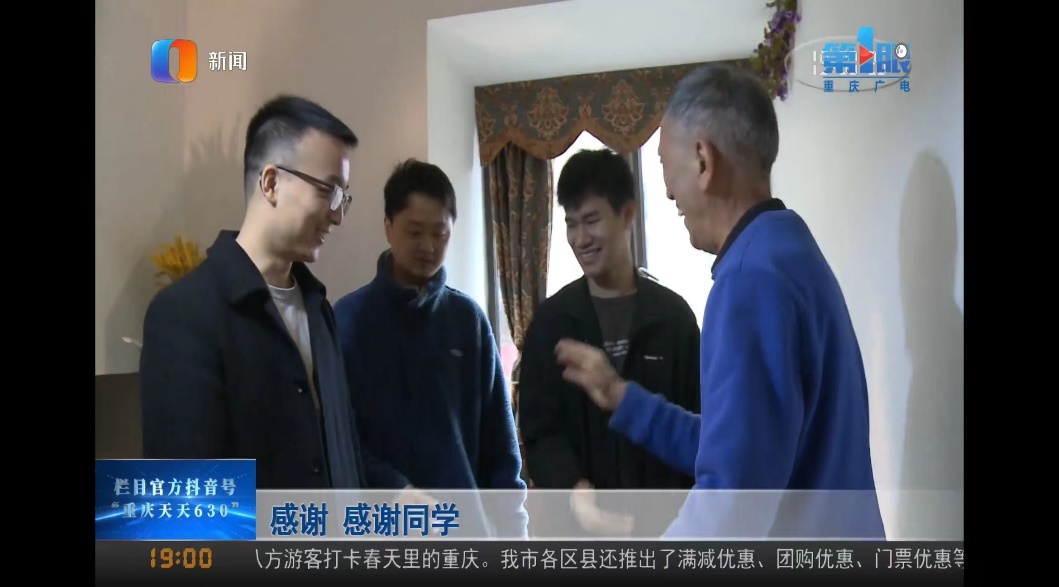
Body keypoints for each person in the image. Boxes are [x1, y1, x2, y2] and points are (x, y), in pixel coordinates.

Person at [554, 65, 886, 539]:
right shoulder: (789, 249)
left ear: (703, 161)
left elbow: (729, 509)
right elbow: (739, 447)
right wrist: (623, 398)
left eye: (665, 165)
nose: (668, 191)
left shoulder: (748, 281)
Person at [140, 95, 414, 492]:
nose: (338, 215)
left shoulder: (319, 309)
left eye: (343, 198)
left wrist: (400, 493)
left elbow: (342, 449)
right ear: (271, 183)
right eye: (328, 190)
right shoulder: (184, 315)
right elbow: (188, 498)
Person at [333, 158, 527, 537]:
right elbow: (340, 439)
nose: (427, 246)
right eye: (415, 232)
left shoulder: (468, 321)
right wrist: (395, 490)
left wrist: (514, 535)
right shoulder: (348, 321)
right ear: (388, 226)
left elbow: (501, 451)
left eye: (440, 234)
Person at [518, 148, 701, 536]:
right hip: (578, 537)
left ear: (628, 214)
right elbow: (539, 431)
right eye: (571, 224)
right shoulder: (551, 324)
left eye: (591, 221)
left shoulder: (674, 320)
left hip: (666, 533)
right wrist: (574, 490)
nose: (580, 239)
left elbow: (698, 427)